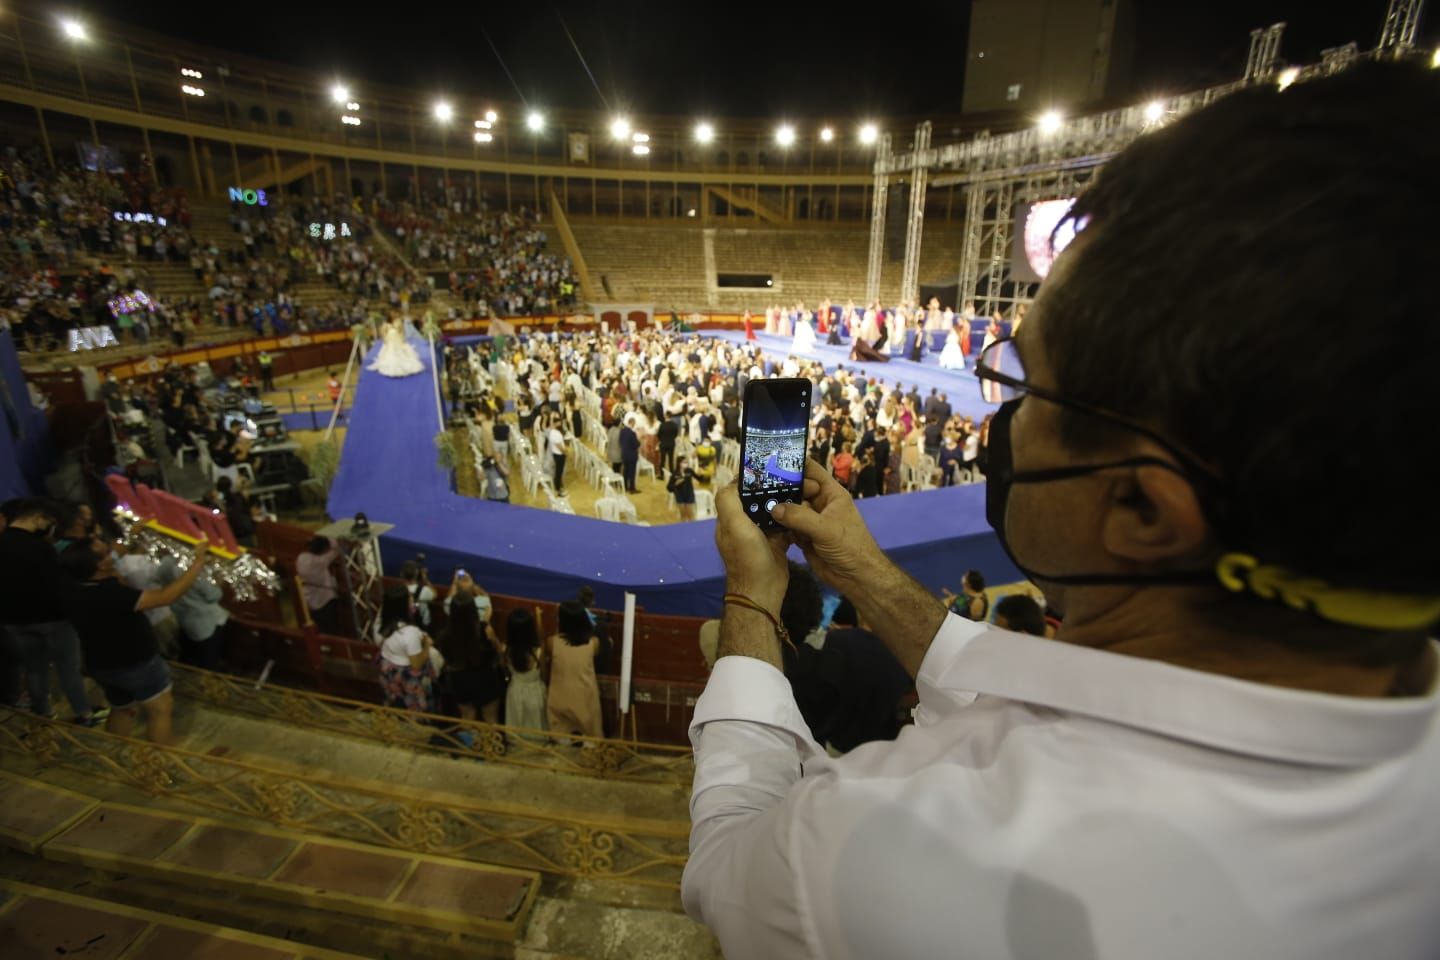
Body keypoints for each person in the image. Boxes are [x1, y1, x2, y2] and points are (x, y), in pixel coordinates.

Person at [682, 65, 1440, 959]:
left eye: (1027, 383)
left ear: (1142, 508)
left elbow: (728, 867)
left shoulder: (891, 859)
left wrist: (751, 599)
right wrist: (861, 571)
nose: (1006, 416)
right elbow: (1054, 700)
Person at [59, 534, 209, 744]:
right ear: (100, 565)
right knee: (160, 710)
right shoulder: (112, 594)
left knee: (122, 708)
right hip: (135, 663)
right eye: (106, 553)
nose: (112, 553)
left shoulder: (72, 588)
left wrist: (132, 538)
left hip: (101, 664)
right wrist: (198, 563)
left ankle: (116, 753)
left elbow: (113, 559)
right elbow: (167, 596)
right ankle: (160, 764)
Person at [0, 499, 105, 726]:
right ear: (37, 518)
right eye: (47, 521)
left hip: (14, 620)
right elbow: (57, 585)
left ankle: (43, 713)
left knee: (34, 669)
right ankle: (83, 713)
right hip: (52, 618)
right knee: (68, 667)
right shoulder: (41, 547)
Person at [438, 592, 504, 723]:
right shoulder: (485, 631)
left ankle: (470, 743)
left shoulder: (444, 636)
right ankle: (490, 744)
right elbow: (499, 651)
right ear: (473, 610)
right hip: (485, 679)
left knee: (467, 718)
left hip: (459, 680)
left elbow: (447, 659)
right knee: (490, 718)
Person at [544, 600, 605, 740]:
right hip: (585, 697)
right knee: (592, 738)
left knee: (561, 738)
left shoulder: (551, 642)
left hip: (560, 696)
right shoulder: (594, 643)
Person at [375, 584, 441, 712]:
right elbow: (416, 664)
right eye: (409, 598)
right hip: (406, 681)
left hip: (389, 675)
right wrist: (427, 645)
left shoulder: (380, 625)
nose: (412, 601)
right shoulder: (410, 633)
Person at [161, 555, 231, 670]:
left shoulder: (166, 563)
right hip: (206, 624)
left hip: (183, 618)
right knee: (206, 664)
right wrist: (219, 580)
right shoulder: (192, 570)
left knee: (189, 659)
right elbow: (214, 595)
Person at [503, 608, 546, 732]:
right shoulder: (538, 652)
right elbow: (544, 676)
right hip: (536, 692)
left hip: (515, 691)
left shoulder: (506, 650)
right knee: (536, 724)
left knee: (516, 724)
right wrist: (539, 617)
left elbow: (505, 670)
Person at [296, 536, 342, 633]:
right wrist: (330, 536)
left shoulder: (302, 558)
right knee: (331, 629)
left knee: (320, 628)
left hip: (310, 601)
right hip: (324, 602)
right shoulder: (320, 561)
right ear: (324, 550)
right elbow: (336, 549)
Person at [619, 414, 641, 494]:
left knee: (625, 471)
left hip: (624, 454)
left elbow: (620, 441)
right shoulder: (632, 434)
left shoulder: (622, 431)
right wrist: (638, 441)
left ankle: (625, 486)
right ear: (632, 423)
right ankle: (632, 488)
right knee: (632, 472)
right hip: (631, 455)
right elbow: (636, 444)